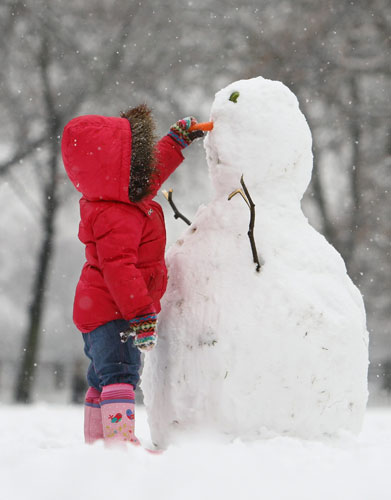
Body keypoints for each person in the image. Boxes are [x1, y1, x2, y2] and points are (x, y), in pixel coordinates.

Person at [61, 105, 203, 445]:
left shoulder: (117, 195)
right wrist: (140, 315)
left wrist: (175, 141)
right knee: (121, 375)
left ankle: (99, 444)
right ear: (117, 171)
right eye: (134, 161)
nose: (142, 169)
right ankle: (120, 444)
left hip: (97, 308)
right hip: (116, 311)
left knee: (101, 377)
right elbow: (120, 270)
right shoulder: (116, 214)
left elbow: (150, 175)